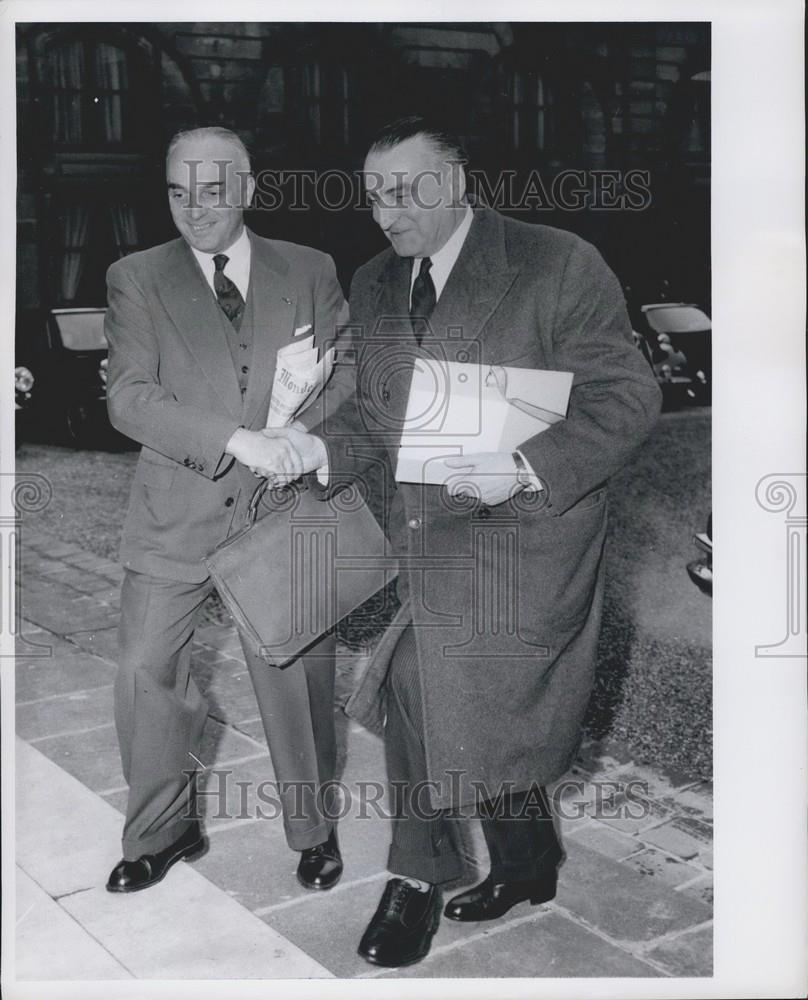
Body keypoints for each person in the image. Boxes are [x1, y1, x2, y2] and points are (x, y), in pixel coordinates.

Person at [266, 115, 662, 967]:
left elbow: (627, 398)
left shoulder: (557, 262)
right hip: (431, 536)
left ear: (458, 183)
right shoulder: (375, 281)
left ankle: (414, 881)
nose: (385, 210)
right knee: (461, 698)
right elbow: (377, 416)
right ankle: (526, 859)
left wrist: (522, 465)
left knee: (418, 681)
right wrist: (315, 445)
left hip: (530, 535)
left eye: (406, 190)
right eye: (374, 195)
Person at [104, 126, 351, 895]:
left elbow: (348, 375)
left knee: (296, 674)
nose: (195, 210)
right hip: (176, 511)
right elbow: (129, 397)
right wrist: (236, 438)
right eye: (179, 193)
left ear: (247, 188)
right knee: (145, 671)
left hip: (281, 509)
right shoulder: (136, 276)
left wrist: (305, 439)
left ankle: (313, 830)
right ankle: (161, 832)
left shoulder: (309, 270)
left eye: (213, 191)